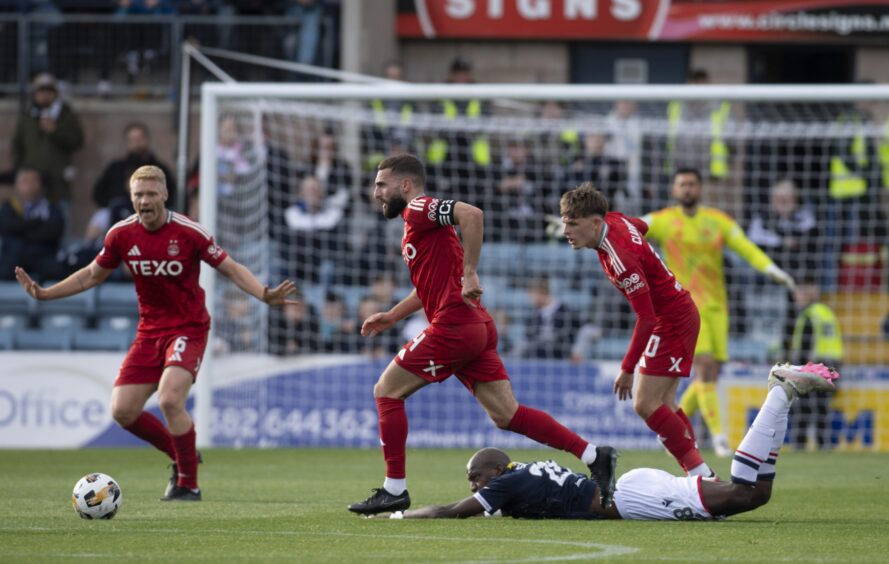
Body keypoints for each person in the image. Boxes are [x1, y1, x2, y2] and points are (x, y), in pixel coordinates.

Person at [347, 154, 617, 516]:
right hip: (474, 325)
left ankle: (395, 489)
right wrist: (392, 316)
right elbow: (430, 287)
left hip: (455, 325)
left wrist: (470, 272)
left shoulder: (418, 208)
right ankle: (593, 454)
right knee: (507, 414)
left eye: (382, 184)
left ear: (405, 185)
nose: (376, 192)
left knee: (386, 391)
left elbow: (472, 214)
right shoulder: (416, 225)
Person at [15, 165, 297, 501]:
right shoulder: (120, 234)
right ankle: (182, 457)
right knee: (122, 411)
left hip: (188, 328)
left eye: (150, 194)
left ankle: (188, 483)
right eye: (138, 195)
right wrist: (46, 294)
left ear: (164, 195)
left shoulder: (189, 232)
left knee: (169, 399)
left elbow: (231, 268)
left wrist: (263, 293)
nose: (144, 201)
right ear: (131, 198)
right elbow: (91, 275)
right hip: (149, 332)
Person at [370, 363, 838, 521]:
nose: (474, 486)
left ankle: (779, 389)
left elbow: (450, 512)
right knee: (757, 494)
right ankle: (785, 396)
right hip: (631, 490)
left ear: (494, 472)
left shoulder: (505, 486)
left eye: (475, 477)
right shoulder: (524, 473)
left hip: (635, 500)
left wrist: (398, 514)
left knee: (745, 493)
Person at [560, 183, 715, 478]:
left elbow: (646, 317)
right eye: (565, 223)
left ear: (595, 223)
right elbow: (640, 226)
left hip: (670, 320)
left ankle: (702, 475)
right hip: (676, 313)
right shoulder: (615, 220)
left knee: (644, 403)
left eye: (573, 224)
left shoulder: (621, 260)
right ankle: (699, 474)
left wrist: (627, 368)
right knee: (665, 404)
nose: (566, 230)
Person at [643, 169, 796, 458]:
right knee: (705, 368)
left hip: (717, 307)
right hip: (684, 307)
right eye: (682, 184)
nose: (687, 189)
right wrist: (597, 228)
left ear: (700, 189)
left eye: (692, 184)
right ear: (675, 190)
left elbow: (747, 249)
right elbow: (631, 228)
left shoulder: (718, 221)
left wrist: (771, 269)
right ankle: (720, 438)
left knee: (711, 372)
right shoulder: (663, 220)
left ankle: (668, 430)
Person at [88, 123, 177, 240]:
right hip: (117, 211)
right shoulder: (116, 167)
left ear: (147, 140)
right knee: (100, 217)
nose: (137, 143)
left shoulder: (159, 169)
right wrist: (115, 203)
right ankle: (90, 253)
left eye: (140, 139)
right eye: (132, 140)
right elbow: (97, 193)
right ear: (127, 142)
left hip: (150, 211)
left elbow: (170, 194)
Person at [787, 277, 843, 450]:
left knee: (803, 407)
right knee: (821, 408)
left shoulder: (809, 314)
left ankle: (799, 444)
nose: (796, 296)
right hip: (832, 365)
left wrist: (797, 371)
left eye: (799, 292)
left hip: (815, 366)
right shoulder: (825, 311)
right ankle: (823, 445)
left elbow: (805, 345)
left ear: (809, 292)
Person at [11, 73, 84, 205]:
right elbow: (17, 146)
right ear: (34, 94)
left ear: (55, 93)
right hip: (32, 183)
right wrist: (21, 172)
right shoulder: (27, 117)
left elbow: (77, 140)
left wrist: (55, 131)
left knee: (61, 218)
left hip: (58, 183)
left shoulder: (65, 114)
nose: (45, 94)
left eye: (49, 90)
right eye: (41, 90)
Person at [0, 168, 66, 281]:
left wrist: (21, 232)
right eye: (25, 181)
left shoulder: (51, 207)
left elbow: (53, 232)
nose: (30, 186)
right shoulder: (8, 207)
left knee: (59, 272)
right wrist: (37, 222)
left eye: (34, 181)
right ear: (16, 185)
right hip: (14, 259)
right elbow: (6, 227)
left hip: (43, 256)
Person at [522, 276, 582, 360]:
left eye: (531, 294)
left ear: (540, 292)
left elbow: (586, 330)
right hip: (538, 364)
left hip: (562, 363)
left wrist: (577, 350)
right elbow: (527, 342)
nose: (530, 299)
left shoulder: (566, 312)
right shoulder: (533, 318)